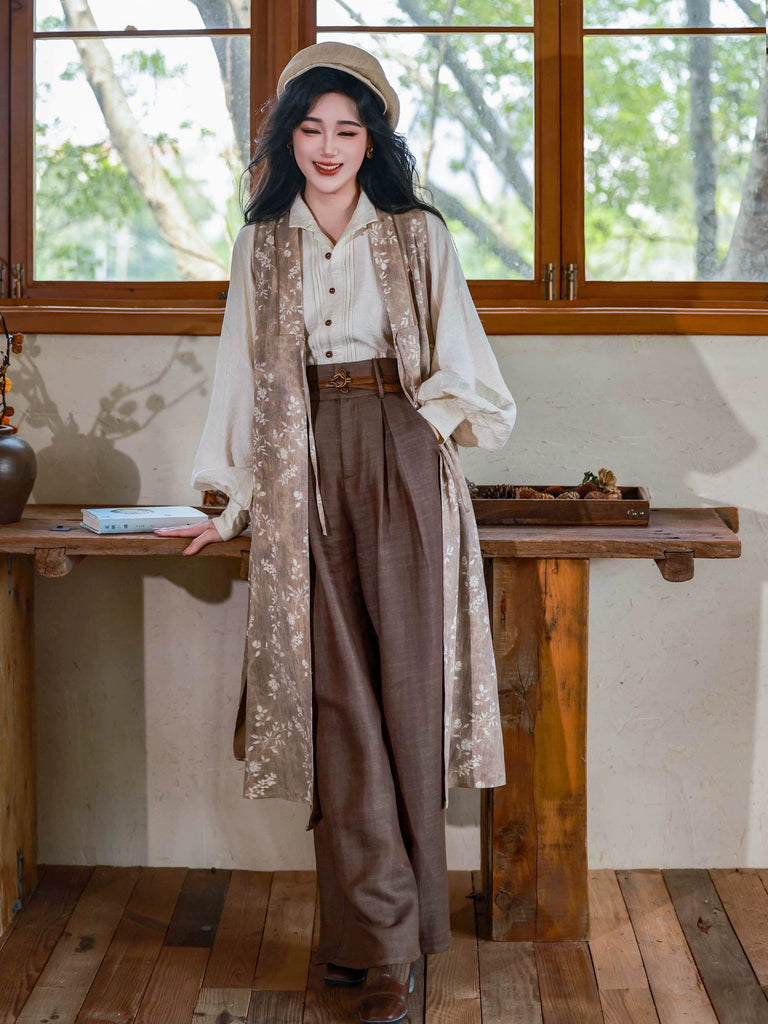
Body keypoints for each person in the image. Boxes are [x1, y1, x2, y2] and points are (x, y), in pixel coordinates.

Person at [158, 42, 516, 1024]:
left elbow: (472, 374)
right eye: (309, 129)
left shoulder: (415, 235)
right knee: (338, 713)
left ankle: (387, 946)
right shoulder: (262, 245)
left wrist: (416, 428)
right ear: (287, 137)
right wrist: (222, 499)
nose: (326, 147)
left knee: (402, 704)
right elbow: (239, 378)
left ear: (373, 139)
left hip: (399, 462)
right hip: (296, 471)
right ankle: (374, 944)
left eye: (346, 130)